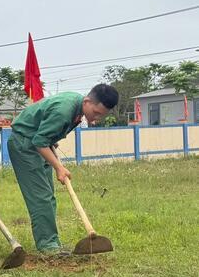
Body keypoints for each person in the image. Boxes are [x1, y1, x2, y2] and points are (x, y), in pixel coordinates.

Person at [8, 84, 119, 254]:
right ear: (87, 101)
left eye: (101, 115)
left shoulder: (78, 107)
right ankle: (48, 246)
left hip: (40, 143)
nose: (96, 118)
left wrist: (52, 138)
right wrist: (59, 168)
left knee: (48, 195)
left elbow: (43, 133)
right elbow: (39, 141)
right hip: (24, 144)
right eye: (96, 113)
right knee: (41, 196)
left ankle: (52, 241)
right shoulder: (64, 111)